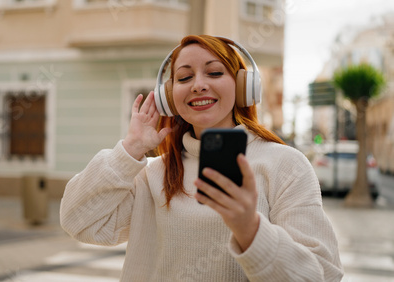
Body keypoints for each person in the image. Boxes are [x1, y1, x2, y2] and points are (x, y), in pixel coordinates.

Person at [60, 35, 343, 281]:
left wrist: (250, 229)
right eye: (184, 78)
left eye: (214, 73)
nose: (198, 85)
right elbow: (78, 221)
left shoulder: (285, 165)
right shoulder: (152, 174)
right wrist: (131, 148)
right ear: (169, 97)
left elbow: (321, 274)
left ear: (244, 86)